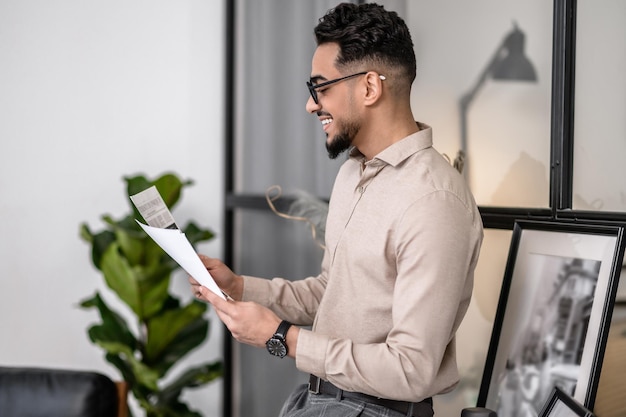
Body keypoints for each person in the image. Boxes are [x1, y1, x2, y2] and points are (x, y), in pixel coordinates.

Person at [190, 3, 483, 416]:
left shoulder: (434, 203)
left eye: (321, 88)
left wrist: (282, 337)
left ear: (368, 88)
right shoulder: (354, 174)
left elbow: (412, 370)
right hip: (318, 399)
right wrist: (240, 288)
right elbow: (332, 292)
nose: (311, 106)